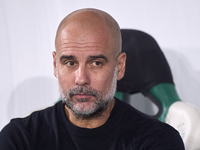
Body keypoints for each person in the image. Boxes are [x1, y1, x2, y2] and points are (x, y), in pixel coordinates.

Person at [0, 8, 184, 150]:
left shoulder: (157, 140)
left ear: (119, 66)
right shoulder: (20, 138)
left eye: (96, 63)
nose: (81, 79)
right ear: (55, 65)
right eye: (70, 63)